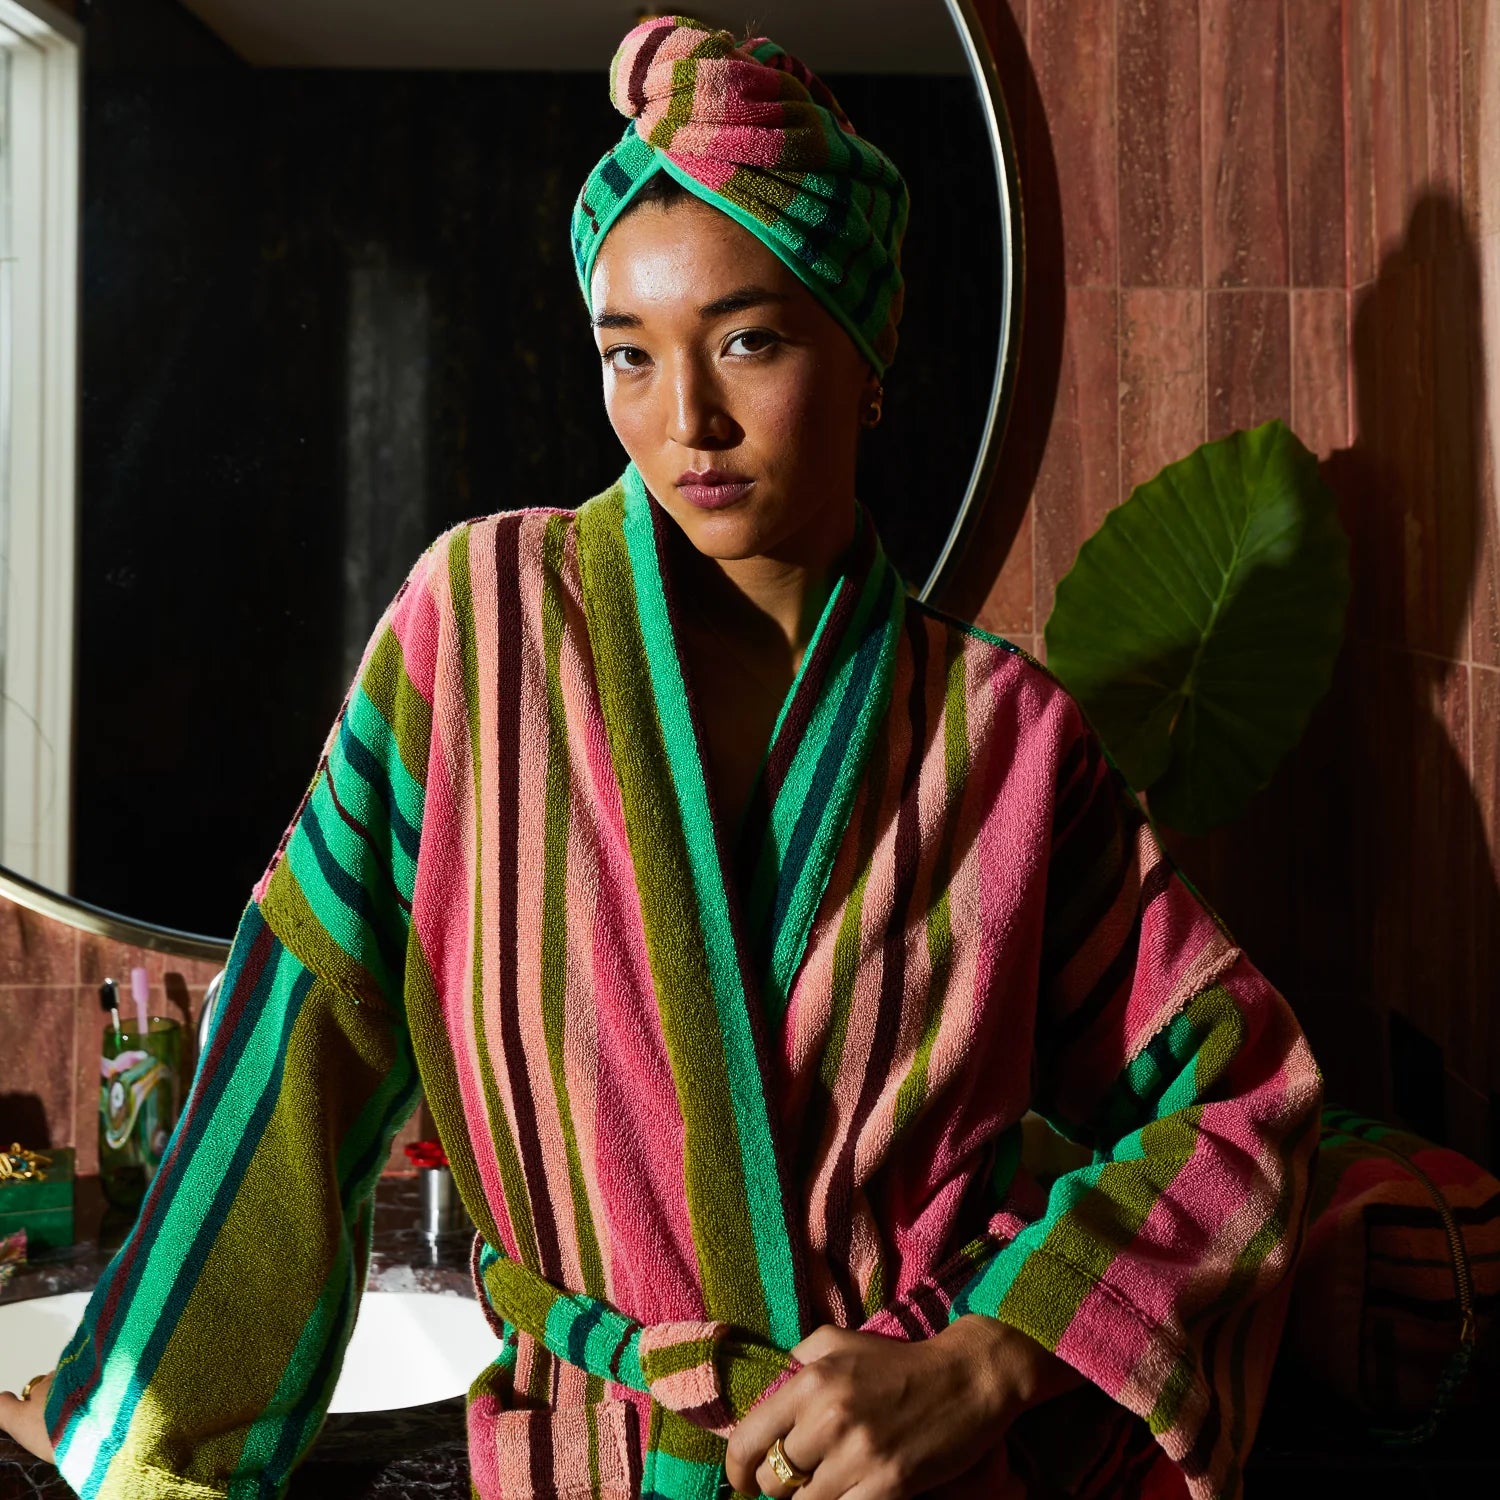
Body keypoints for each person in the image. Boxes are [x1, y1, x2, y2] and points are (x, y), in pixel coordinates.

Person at [0, 16, 1321, 1500]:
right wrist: (146, 1422)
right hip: (586, 1458)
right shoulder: (482, 630)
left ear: (868, 350)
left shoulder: (1001, 737)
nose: (681, 421)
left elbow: (1237, 1084)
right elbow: (301, 1034)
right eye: (630, 354)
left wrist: (986, 1359)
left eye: (747, 339)